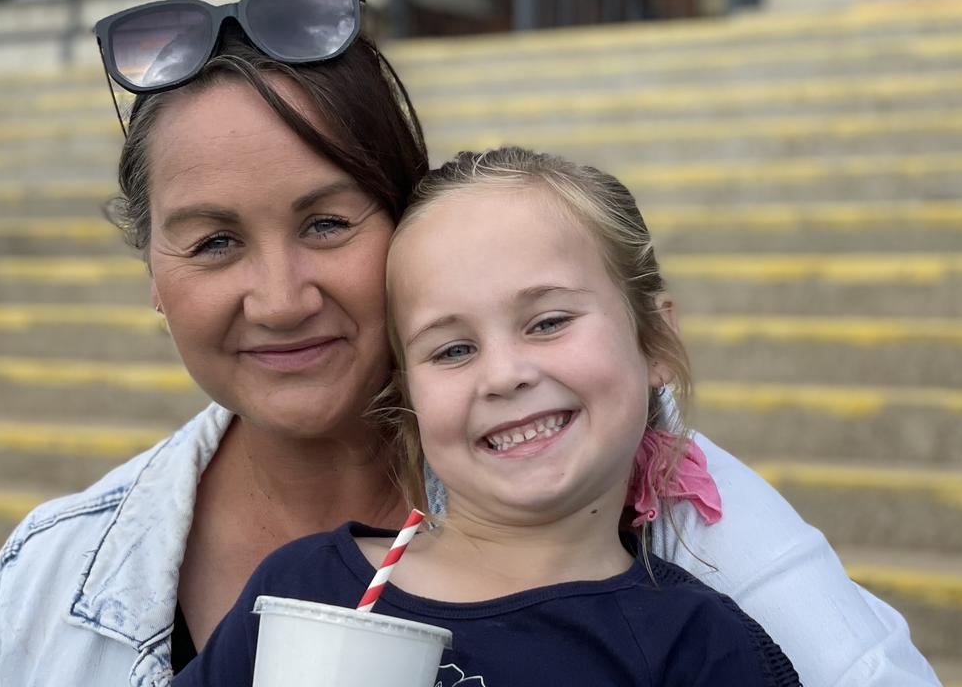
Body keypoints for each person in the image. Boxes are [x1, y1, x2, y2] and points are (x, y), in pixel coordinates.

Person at [0, 0, 940, 686]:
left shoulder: (658, 501)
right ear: (152, 275)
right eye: (213, 242)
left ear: (407, 235)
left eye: (326, 223)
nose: (278, 295)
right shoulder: (58, 569)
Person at [173, 145, 800, 686]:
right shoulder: (304, 589)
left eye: (549, 322)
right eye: (453, 350)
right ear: (408, 396)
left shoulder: (701, 650)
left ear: (654, 343)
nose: (503, 376)